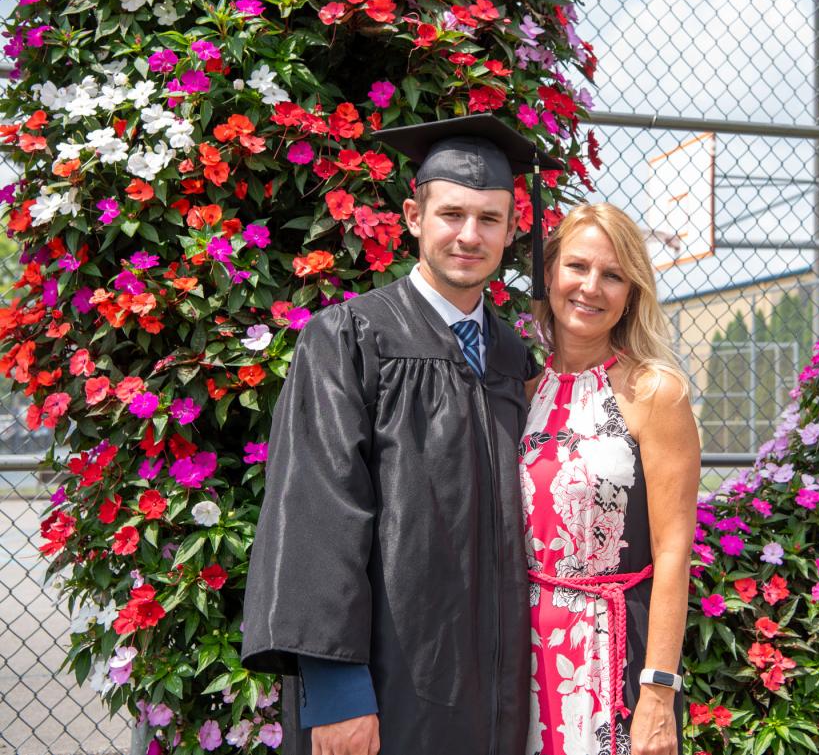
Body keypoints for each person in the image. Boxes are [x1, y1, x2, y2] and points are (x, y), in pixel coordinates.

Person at [241, 115, 560, 755]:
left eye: (490, 219)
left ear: (510, 230)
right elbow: (315, 514)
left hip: (495, 695)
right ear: (414, 216)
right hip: (386, 691)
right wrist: (337, 693)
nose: (469, 235)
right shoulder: (347, 339)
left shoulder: (512, 358)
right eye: (451, 214)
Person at [520, 203, 701, 755]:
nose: (590, 287)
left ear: (632, 293)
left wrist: (657, 694)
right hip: (517, 654)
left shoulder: (655, 393)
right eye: (577, 267)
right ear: (549, 273)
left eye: (613, 275)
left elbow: (673, 552)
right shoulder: (517, 389)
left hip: (613, 652)